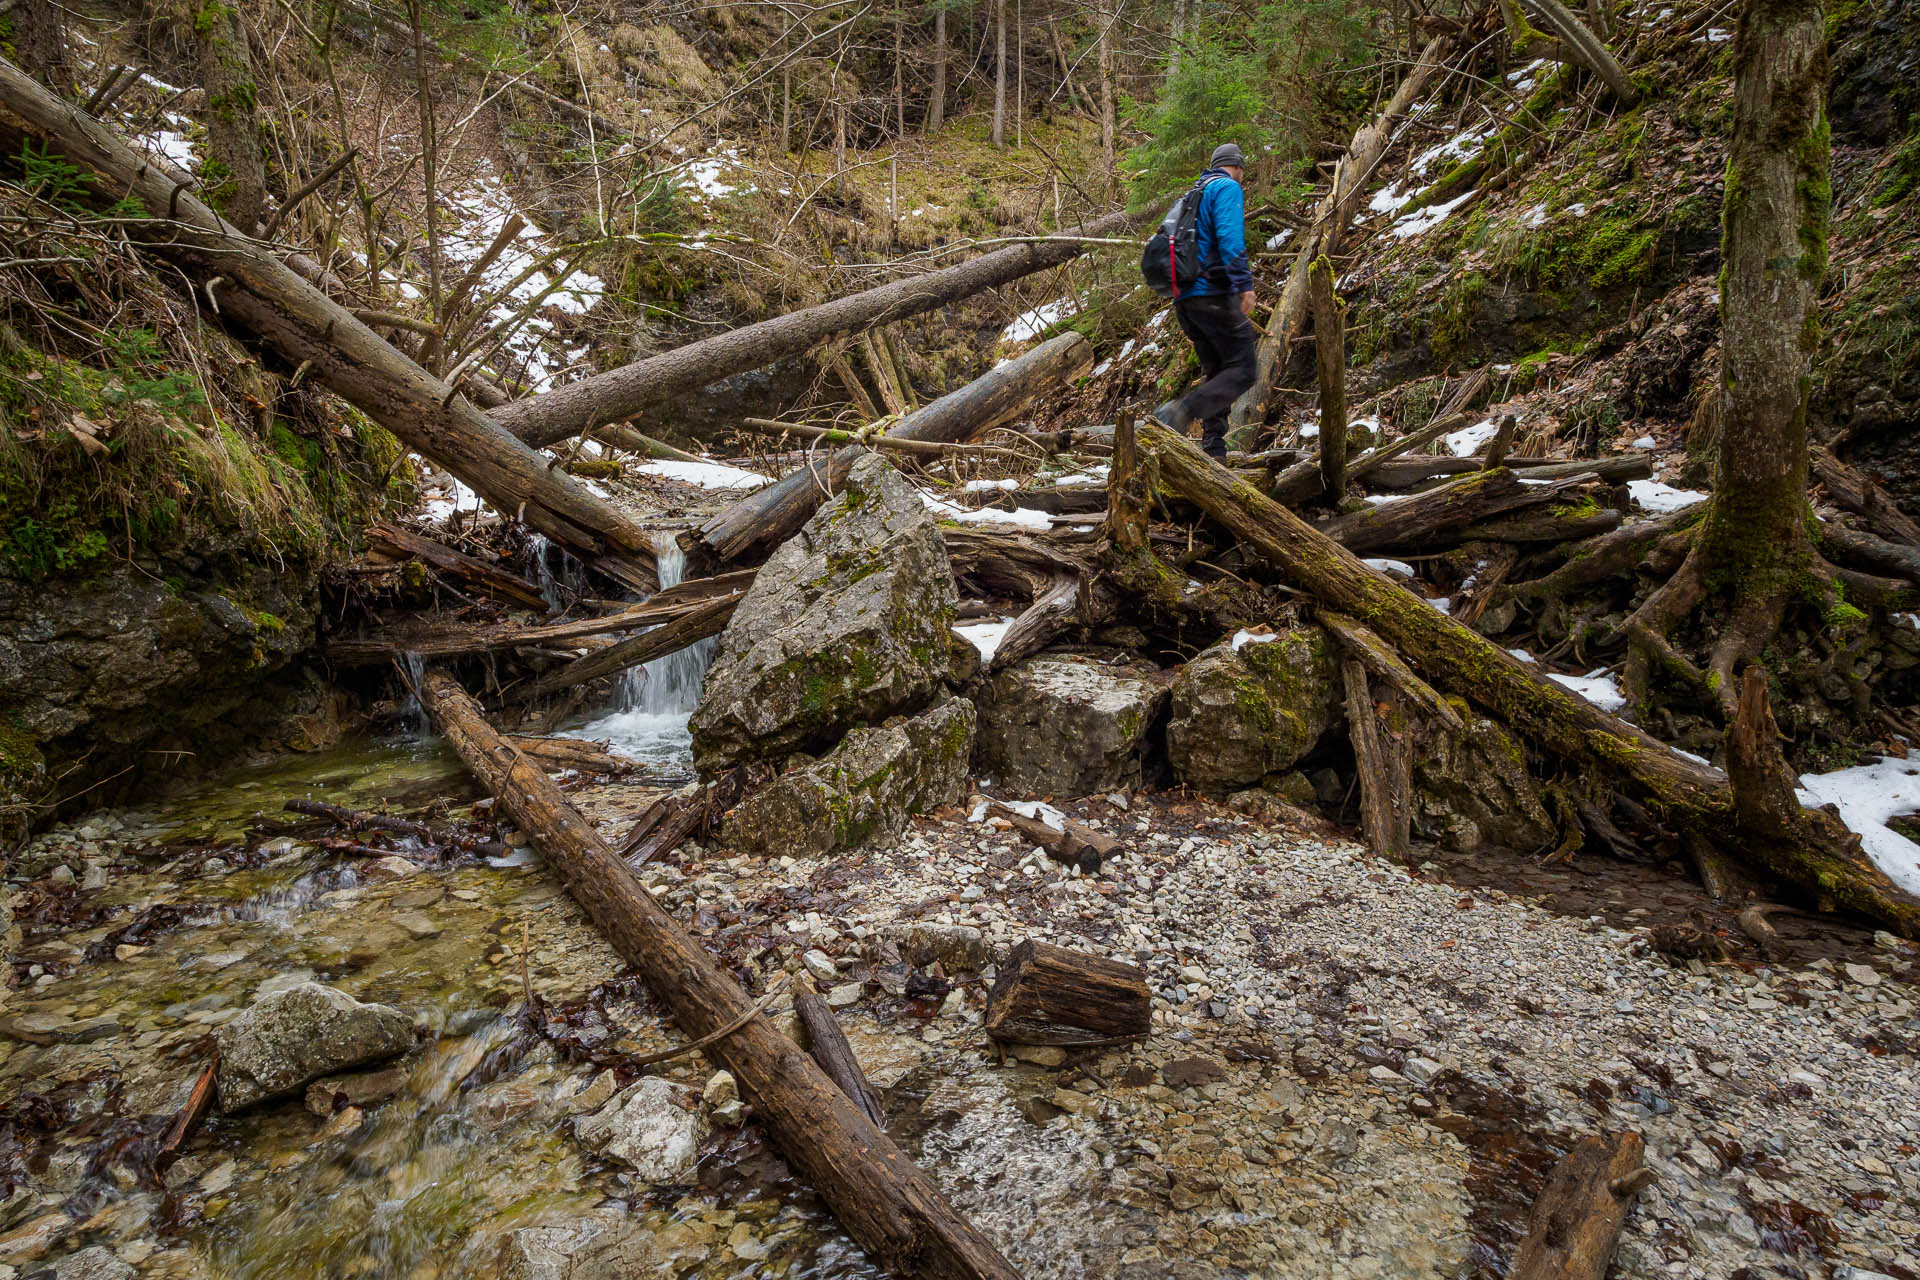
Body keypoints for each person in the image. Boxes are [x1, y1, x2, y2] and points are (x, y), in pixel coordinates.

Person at [1153, 142, 1258, 460]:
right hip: (1213, 293)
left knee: (1218, 370)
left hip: (1185, 301)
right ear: (1237, 166)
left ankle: (1214, 448)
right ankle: (1182, 411)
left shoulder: (1190, 196)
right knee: (1243, 368)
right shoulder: (1226, 187)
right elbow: (1229, 238)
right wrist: (1244, 285)